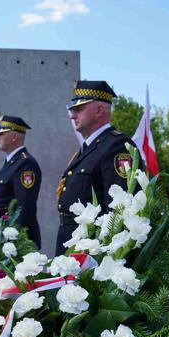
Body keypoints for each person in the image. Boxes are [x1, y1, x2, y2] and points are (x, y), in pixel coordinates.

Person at [56, 80, 137, 256]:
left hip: (91, 251)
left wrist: (102, 253)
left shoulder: (116, 146)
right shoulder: (88, 149)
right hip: (73, 242)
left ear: (99, 110)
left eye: (79, 109)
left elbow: (119, 208)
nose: (72, 115)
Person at [0, 115, 42, 247]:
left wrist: (19, 242)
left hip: (16, 240)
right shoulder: (11, 162)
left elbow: (24, 207)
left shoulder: (25, 164)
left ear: (14, 137)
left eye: (1, 134)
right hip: (3, 235)